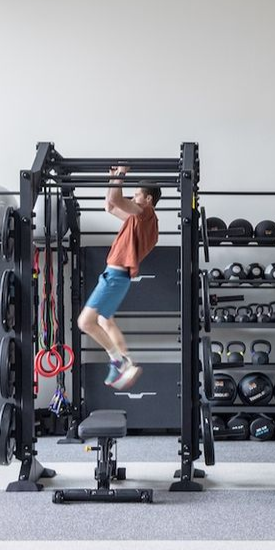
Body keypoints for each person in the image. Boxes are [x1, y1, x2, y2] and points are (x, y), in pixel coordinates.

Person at [76, 165, 160, 391]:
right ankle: (127, 363)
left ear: (148, 199)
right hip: (117, 276)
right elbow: (110, 205)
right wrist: (112, 178)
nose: (133, 197)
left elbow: (116, 198)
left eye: (137, 194)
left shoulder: (146, 214)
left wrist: (121, 175)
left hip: (115, 276)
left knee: (84, 322)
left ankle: (118, 360)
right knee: (104, 321)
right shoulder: (138, 221)